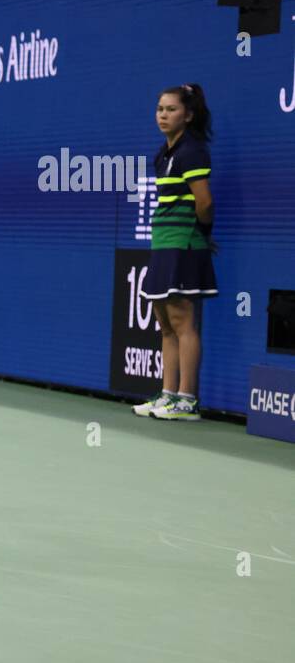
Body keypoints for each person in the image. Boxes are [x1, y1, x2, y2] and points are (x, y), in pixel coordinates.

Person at [133, 84, 217, 421]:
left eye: (171, 109)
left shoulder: (192, 152)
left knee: (184, 323)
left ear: (189, 114)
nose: (163, 115)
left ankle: (187, 400)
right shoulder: (163, 154)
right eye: (160, 109)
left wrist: (201, 233)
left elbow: (205, 202)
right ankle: (168, 395)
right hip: (163, 242)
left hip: (184, 243)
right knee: (165, 324)